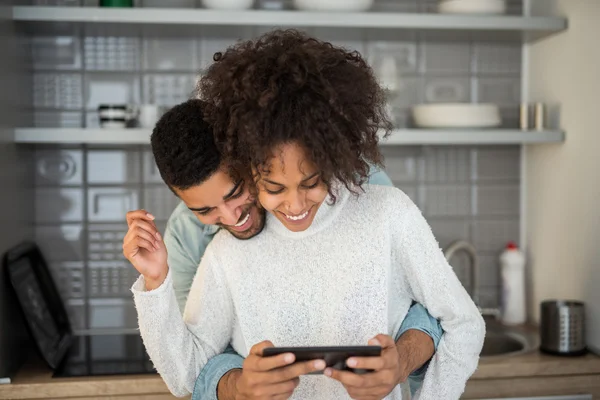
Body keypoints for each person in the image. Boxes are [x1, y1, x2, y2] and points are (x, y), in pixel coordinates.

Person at [127, 30, 484, 399]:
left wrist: (407, 369)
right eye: (275, 188)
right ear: (248, 165)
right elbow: (190, 373)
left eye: (311, 183)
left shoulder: (384, 206)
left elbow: (454, 320)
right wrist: (155, 283)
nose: (295, 206)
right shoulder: (219, 249)